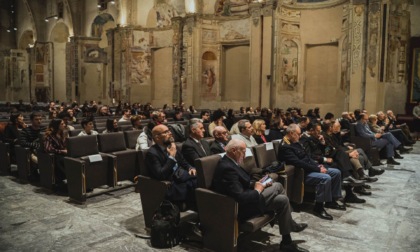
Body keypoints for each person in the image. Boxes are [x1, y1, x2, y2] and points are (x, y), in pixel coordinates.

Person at [212, 139, 308, 252]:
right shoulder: (227, 168)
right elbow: (241, 197)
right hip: (241, 207)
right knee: (277, 186)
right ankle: (290, 223)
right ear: (233, 150)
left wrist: (257, 184)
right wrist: (258, 189)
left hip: (250, 198)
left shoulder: (232, 162)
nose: (245, 154)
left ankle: (286, 242)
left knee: (282, 200)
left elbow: (243, 183)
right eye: (243, 151)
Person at [278, 124, 344, 220]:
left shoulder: (295, 142)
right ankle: (319, 207)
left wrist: (317, 165)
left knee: (336, 172)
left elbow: (307, 157)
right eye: (298, 134)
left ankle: (332, 201)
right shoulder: (285, 146)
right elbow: (298, 163)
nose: (300, 136)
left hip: (310, 168)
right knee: (325, 178)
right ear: (292, 133)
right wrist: (317, 169)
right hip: (302, 174)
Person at [145, 124, 197, 207]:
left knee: (199, 179)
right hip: (172, 184)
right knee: (197, 183)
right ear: (157, 137)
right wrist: (171, 157)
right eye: (166, 132)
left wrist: (190, 168)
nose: (170, 133)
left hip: (182, 176)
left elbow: (183, 162)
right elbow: (160, 175)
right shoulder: (152, 153)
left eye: (169, 131)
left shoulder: (171, 146)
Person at [18, 112, 46, 180]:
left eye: (40, 119)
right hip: (31, 151)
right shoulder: (26, 131)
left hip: (43, 150)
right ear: (31, 120)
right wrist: (35, 145)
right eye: (36, 119)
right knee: (39, 161)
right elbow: (23, 142)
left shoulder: (44, 129)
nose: (39, 121)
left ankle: (47, 176)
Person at [43, 119, 68, 190]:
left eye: (64, 123)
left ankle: (78, 181)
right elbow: (48, 149)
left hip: (64, 154)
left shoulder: (63, 134)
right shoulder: (49, 135)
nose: (64, 125)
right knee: (62, 160)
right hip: (56, 156)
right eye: (62, 124)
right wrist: (61, 151)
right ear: (57, 125)